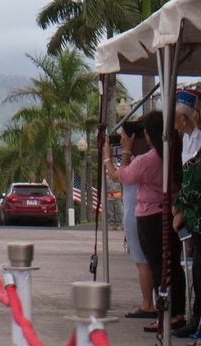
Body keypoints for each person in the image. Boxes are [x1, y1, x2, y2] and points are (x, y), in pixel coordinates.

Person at [105, 110, 186, 334]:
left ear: (149, 135)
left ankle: (164, 315)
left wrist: (121, 152)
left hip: (150, 216)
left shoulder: (149, 159)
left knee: (158, 267)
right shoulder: (172, 153)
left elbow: (122, 176)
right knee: (173, 267)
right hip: (169, 213)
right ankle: (177, 313)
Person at [173, 89, 201, 337]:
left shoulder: (199, 139)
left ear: (183, 119)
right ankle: (196, 318)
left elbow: (195, 180)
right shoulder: (185, 139)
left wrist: (180, 207)